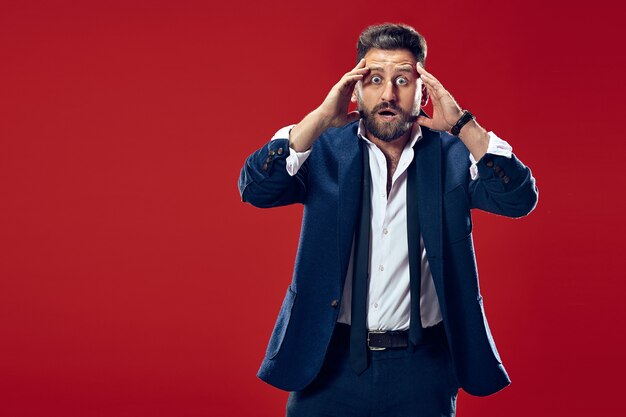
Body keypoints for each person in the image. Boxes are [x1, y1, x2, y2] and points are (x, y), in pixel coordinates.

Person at [238, 23, 538, 417]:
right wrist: (320, 118)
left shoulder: (453, 156)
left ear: (424, 93)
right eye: (375, 79)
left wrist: (464, 126)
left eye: (403, 80)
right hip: (328, 362)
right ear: (357, 90)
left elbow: (518, 199)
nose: (389, 93)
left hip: (424, 367)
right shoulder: (323, 150)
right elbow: (257, 188)